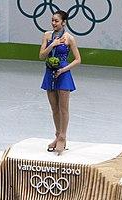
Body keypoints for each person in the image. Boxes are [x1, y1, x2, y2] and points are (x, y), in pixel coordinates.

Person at [39, 10, 81, 155]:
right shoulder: (47, 35)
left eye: (56, 21)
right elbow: (41, 55)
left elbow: (78, 59)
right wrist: (53, 44)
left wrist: (64, 70)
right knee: (54, 108)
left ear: (63, 22)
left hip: (63, 74)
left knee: (63, 108)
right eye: (52, 20)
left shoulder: (69, 38)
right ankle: (57, 135)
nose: (53, 23)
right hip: (49, 73)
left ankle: (63, 137)